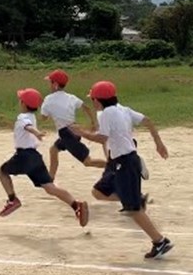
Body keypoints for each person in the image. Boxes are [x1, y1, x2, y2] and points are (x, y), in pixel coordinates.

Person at [70, 81, 174, 260]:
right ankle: (135, 197)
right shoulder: (122, 109)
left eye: (93, 99)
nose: (93, 102)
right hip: (116, 161)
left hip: (124, 162)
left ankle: (160, 241)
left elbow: (102, 138)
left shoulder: (106, 113)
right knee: (98, 192)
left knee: (133, 210)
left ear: (98, 100)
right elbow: (147, 121)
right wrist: (159, 143)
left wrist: (81, 133)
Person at [0, 88, 89, 228]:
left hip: (23, 156)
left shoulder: (23, 118)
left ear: (22, 103)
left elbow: (27, 127)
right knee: (50, 187)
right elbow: (25, 127)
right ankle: (76, 205)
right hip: (35, 158)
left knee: (1, 172)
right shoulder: (32, 117)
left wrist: (37, 133)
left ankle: (12, 199)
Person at [40, 69, 106, 179]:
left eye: (50, 82)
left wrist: (46, 110)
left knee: (87, 161)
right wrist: (93, 123)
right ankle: (50, 178)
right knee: (54, 149)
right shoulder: (71, 97)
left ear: (55, 84)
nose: (49, 85)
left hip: (66, 134)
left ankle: (115, 166)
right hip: (75, 130)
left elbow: (43, 118)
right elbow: (87, 108)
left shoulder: (48, 99)